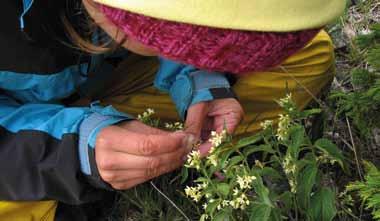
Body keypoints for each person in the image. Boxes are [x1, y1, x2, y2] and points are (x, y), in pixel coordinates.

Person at [0, 0, 346, 220]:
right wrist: (69, 152)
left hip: (101, 82)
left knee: (305, 60)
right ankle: (92, 175)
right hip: (16, 135)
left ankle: (131, 156)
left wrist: (200, 76)